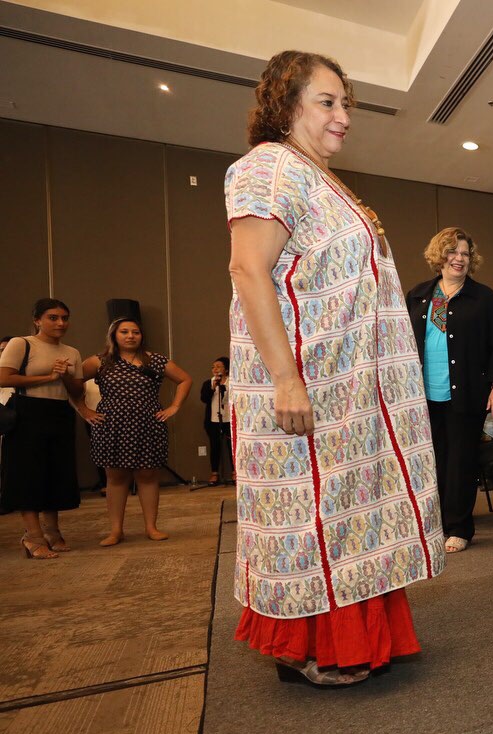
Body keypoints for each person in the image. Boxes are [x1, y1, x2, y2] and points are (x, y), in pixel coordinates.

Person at [225, 50, 444, 688]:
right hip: (311, 382)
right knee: (315, 513)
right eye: (328, 102)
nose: (343, 116)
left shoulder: (319, 177)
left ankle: (342, 641)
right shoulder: (269, 167)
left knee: (346, 511)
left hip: (347, 390)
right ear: (286, 107)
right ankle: (315, 645)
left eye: (346, 103)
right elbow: (247, 270)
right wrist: (287, 379)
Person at [407, 228, 493, 553]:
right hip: (423, 394)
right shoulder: (420, 296)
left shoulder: (483, 298)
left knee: (461, 463)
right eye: (453, 252)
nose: (459, 259)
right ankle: (435, 523)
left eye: (465, 253)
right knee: (433, 461)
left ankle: (460, 527)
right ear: (440, 256)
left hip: (465, 393)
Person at [82, 318, 192, 546]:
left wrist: (174, 406)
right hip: (112, 425)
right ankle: (115, 531)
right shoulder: (99, 361)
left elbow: (184, 379)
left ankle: (151, 527)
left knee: (148, 475)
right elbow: (72, 383)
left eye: (136, 332)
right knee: (115, 477)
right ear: (114, 335)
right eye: (124, 332)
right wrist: (84, 410)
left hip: (147, 424)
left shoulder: (154, 360)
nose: (131, 336)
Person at [0, 299, 92, 558]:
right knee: (29, 474)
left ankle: (53, 531)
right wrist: (48, 377)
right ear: (37, 320)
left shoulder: (72, 351)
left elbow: (77, 390)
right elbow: (3, 377)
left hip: (59, 412)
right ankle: (33, 536)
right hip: (27, 412)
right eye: (53, 317)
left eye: (65, 317)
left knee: (56, 472)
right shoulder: (23, 343)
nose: (61, 323)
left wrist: (64, 377)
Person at [199, 357, 233, 485]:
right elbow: (204, 399)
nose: (215, 369)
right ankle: (214, 474)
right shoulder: (208, 383)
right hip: (213, 420)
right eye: (213, 367)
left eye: (219, 366)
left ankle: (235, 473)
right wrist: (213, 388)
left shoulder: (232, 382)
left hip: (229, 419)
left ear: (226, 369)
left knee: (231, 447)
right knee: (215, 446)